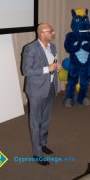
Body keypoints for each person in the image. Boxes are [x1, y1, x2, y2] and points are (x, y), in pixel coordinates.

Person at [21, 23, 61, 166]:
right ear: (42, 33)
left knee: (45, 120)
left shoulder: (53, 47)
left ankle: (43, 144)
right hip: (36, 90)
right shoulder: (30, 48)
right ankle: (37, 154)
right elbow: (26, 71)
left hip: (50, 87)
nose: (53, 33)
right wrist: (47, 68)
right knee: (35, 123)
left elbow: (53, 63)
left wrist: (57, 67)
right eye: (51, 31)